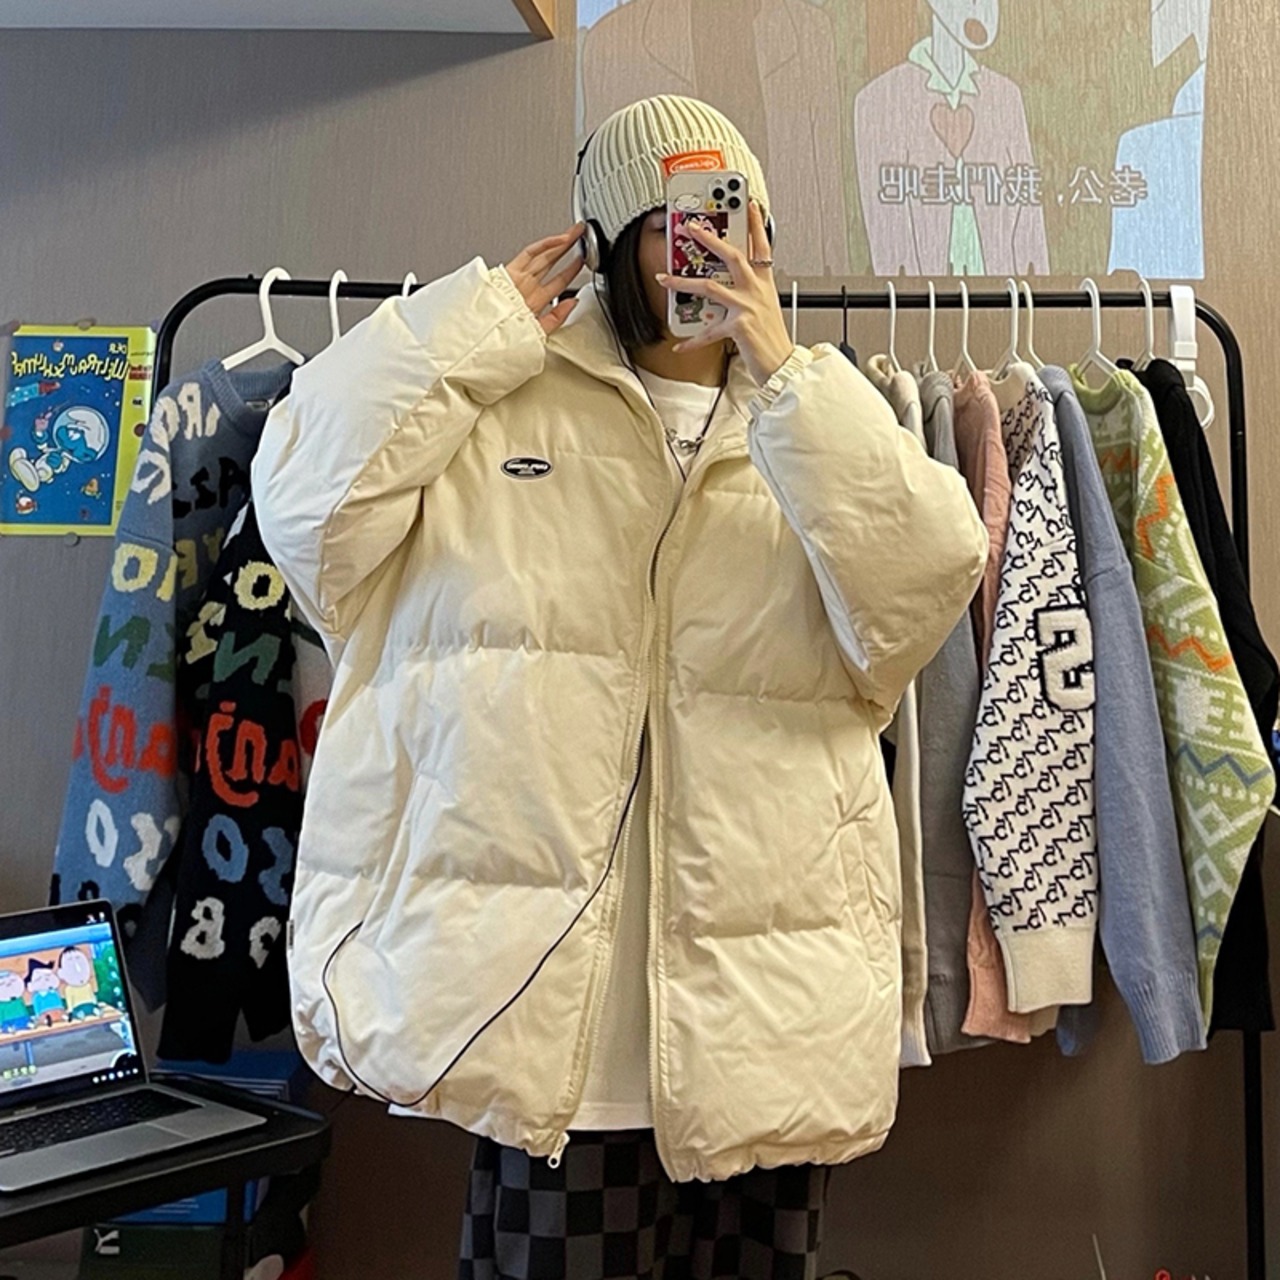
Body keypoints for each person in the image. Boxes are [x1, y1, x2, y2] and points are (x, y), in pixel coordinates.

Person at [253, 95, 986, 1279]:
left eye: (734, 214)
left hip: (765, 1016)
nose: (709, 247)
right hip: (555, 1036)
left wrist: (785, 373)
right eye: (673, 218)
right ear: (604, 238)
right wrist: (462, 329)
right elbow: (303, 511)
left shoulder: (813, 419)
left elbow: (926, 580)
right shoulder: (489, 400)